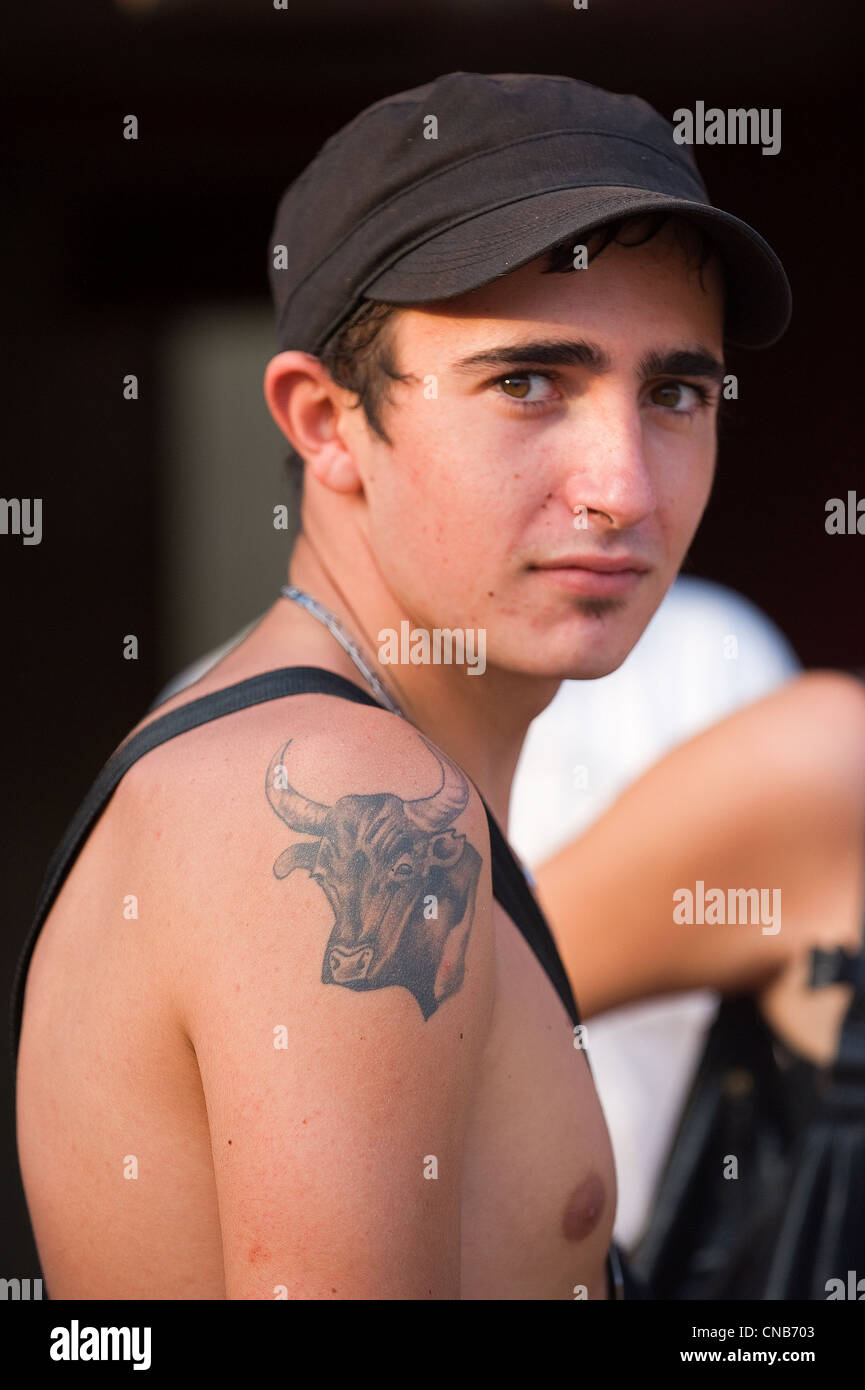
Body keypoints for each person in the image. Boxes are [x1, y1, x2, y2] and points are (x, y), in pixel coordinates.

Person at [12, 71, 792, 1300]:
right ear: (326, 422)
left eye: (673, 393)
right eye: (527, 382)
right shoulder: (348, 780)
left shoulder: (352, 759)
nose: (624, 489)